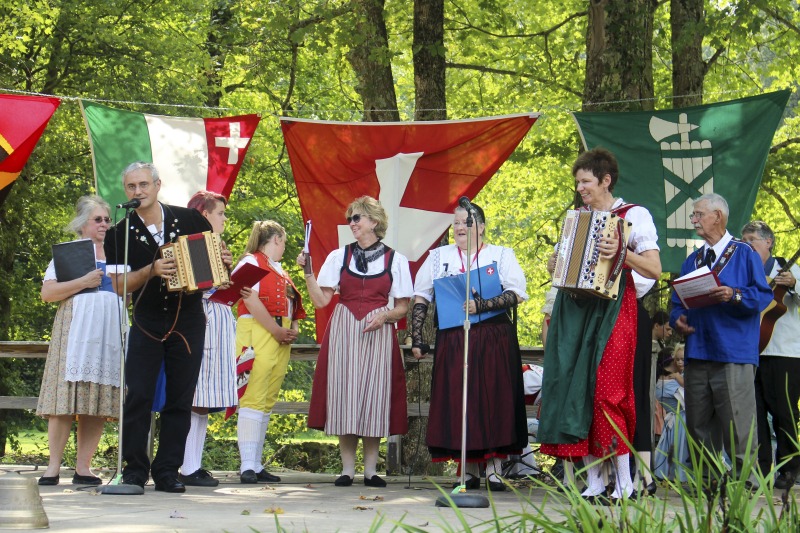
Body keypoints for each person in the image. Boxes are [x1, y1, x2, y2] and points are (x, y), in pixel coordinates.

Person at [538, 147, 662, 502]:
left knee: (608, 391)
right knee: (576, 390)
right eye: (578, 182)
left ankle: (624, 482)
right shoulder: (578, 218)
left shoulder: (634, 215)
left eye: (586, 181)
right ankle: (594, 480)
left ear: (606, 180)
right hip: (576, 310)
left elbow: (654, 269)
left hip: (614, 310)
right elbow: (571, 268)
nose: (580, 188)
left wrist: (621, 251)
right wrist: (556, 264)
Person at [103, 162, 230, 493]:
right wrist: (152, 269)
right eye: (131, 187)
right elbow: (118, 285)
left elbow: (210, 269)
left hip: (187, 319)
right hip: (146, 320)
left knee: (180, 398)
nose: (137, 192)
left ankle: (167, 471)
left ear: (157, 185)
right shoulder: (119, 233)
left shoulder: (189, 220)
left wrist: (221, 262)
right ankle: (133, 470)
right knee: (139, 395)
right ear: (125, 191)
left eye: (144, 185)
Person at [411, 202, 529, 491]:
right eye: (456, 224)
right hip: (454, 338)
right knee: (460, 401)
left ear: (482, 226)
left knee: (492, 399)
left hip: (493, 338)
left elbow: (517, 292)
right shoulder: (439, 257)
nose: (460, 228)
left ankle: (494, 467)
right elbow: (421, 295)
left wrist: (484, 305)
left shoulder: (500, 255)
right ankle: (468, 470)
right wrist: (417, 335)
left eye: (466, 222)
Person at [299, 196, 412, 488]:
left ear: (374, 222)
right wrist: (308, 272)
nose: (351, 224)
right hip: (344, 328)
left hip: (378, 330)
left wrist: (386, 316)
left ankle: (372, 471)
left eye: (357, 218)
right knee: (344, 394)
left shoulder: (395, 259)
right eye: (350, 218)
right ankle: (348, 469)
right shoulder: (340, 256)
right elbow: (322, 299)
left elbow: (402, 307)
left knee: (373, 396)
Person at [669, 194, 773, 489]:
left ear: (718, 216)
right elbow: (677, 302)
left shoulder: (745, 253)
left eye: (699, 214)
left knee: (738, 422)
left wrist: (734, 294)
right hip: (698, 350)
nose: (694, 220)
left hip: (733, 352)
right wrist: (677, 318)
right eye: (693, 215)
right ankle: (707, 482)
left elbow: (762, 296)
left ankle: (746, 483)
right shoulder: (693, 259)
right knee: (699, 422)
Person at [36, 195, 122, 486]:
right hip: (75, 329)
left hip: (107, 332)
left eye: (107, 220)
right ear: (83, 223)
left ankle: (83, 468)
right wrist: (82, 282)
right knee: (64, 399)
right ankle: (53, 467)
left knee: (96, 398)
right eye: (98, 219)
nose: (104, 225)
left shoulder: (117, 252)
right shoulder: (71, 253)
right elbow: (48, 294)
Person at [233, 220, 305, 484]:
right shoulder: (251, 262)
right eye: (284, 242)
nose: (284, 247)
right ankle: (246, 465)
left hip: (278, 333)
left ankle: (256, 462)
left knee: (267, 397)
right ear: (276, 239)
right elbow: (248, 299)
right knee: (253, 393)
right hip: (258, 329)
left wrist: (291, 326)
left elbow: (290, 303)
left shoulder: (280, 270)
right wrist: (275, 330)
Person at [178, 191, 241, 487]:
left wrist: (230, 272)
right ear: (204, 214)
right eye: (220, 213)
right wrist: (222, 274)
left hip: (217, 318)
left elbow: (219, 284)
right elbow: (198, 285)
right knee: (195, 394)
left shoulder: (217, 244)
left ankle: (193, 464)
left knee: (204, 398)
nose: (224, 219)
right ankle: (186, 466)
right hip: (200, 319)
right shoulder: (193, 243)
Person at [741, 220, 800, 490]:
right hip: (749, 352)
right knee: (754, 413)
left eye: (752, 239)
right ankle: (760, 469)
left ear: (769, 242)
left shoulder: (790, 268)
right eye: (744, 239)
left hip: (784, 353)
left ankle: (789, 470)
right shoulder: (742, 270)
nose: (748, 244)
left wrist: (795, 284)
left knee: (784, 413)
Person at [654, 345, 689, 482]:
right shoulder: (671, 381)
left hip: (677, 419)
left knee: (677, 449)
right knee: (679, 449)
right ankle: (679, 476)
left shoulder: (681, 377)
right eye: (677, 359)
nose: (680, 362)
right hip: (678, 419)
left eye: (682, 359)